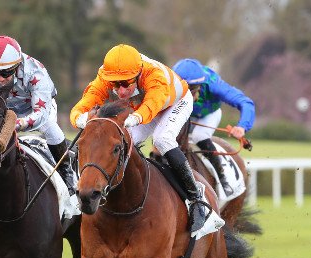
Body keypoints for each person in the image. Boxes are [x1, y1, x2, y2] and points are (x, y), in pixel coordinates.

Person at [70, 44, 208, 232]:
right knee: (120, 141)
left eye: (126, 84)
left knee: (162, 140)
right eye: (115, 85)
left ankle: (195, 197)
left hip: (174, 103)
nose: (120, 91)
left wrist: (135, 118)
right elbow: (88, 100)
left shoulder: (153, 74)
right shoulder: (106, 74)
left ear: (138, 74)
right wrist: (78, 117)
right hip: (143, 107)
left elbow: (152, 104)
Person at [0, 35, 76, 200]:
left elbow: (41, 114)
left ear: (17, 66)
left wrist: (13, 125)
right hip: (1, 111)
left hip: (35, 110)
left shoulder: (35, 72)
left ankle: (66, 172)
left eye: (6, 73)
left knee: (50, 128)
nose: (0, 78)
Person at [171, 58, 255, 196]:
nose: (183, 92)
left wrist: (242, 126)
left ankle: (222, 176)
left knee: (199, 135)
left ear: (199, 85)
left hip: (208, 114)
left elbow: (245, 103)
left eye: (189, 89)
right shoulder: (168, 80)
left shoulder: (214, 85)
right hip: (183, 111)